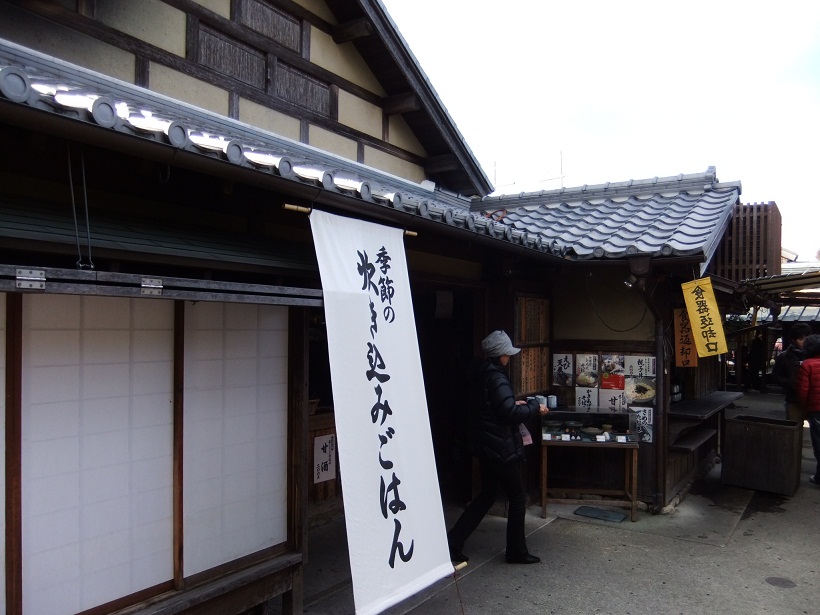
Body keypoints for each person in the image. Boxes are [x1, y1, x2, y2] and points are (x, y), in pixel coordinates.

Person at [447, 330, 549, 565]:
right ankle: (516, 551)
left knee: (486, 496)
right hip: (500, 447)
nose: (509, 357)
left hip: (486, 445)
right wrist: (534, 408)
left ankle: (453, 542)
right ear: (500, 354)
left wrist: (516, 403)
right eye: (507, 353)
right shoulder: (497, 377)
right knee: (517, 498)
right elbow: (509, 413)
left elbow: (495, 408)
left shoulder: (480, 374)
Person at [772, 323, 811, 422]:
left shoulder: (814, 355)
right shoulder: (784, 356)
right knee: (794, 430)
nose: (805, 342)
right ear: (793, 340)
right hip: (793, 400)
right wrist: (789, 383)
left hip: (813, 400)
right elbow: (775, 375)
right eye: (801, 339)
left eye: (807, 338)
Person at [795, 333, 820, 486]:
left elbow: (803, 390)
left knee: (818, 442)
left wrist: (805, 407)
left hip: (816, 408)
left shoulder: (807, 364)